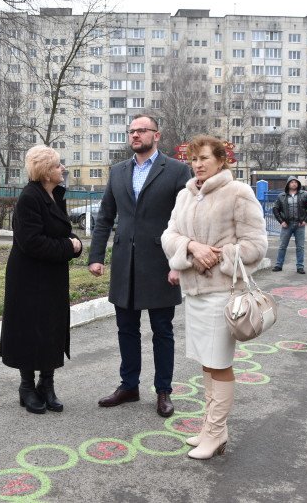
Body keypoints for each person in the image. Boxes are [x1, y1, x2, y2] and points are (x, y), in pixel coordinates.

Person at [161, 135, 268, 460]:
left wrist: (219, 255)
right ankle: (210, 428)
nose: (198, 164)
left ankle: (217, 431)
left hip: (223, 294)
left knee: (219, 364)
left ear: (221, 160)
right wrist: (192, 248)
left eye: (205, 158)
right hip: (194, 293)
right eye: (194, 159)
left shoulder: (238, 192)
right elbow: (168, 235)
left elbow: (257, 245)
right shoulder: (185, 194)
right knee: (207, 364)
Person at [88, 114, 191, 418]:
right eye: (132, 131)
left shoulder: (176, 170)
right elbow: (105, 216)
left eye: (142, 130)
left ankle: (163, 391)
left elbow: (186, 220)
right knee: (126, 329)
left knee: (162, 331)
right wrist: (96, 256)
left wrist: (179, 263)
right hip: (125, 264)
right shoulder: (119, 171)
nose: (135, 135)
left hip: (161, 264)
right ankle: (129, 386)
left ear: (156, 135)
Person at [0, 145, 83, 414]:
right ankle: (27, 387)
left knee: (51, 327)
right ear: (46, 173)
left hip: (52, 276)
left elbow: (61, 232)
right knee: (29, 329)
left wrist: (74, 243)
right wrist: (69, 247)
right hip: (28, 278)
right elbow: (32, 242)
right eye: (58, 165)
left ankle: (47, 384)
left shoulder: (54, 194)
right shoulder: (29, 198)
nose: (63, 169)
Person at [271, 176, 307, 274]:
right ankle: (278, 265)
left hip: (299, 225)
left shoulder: (304, 195)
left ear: (298, 184)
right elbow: (275, 209)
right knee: (282, 246)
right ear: (288, 184)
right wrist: (281, 221)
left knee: (300, 247)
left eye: (295, 182)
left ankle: (300, 267)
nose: (294, 184)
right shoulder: (282, 196)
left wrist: (305, 220)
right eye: (292, 182)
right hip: (287, 225)